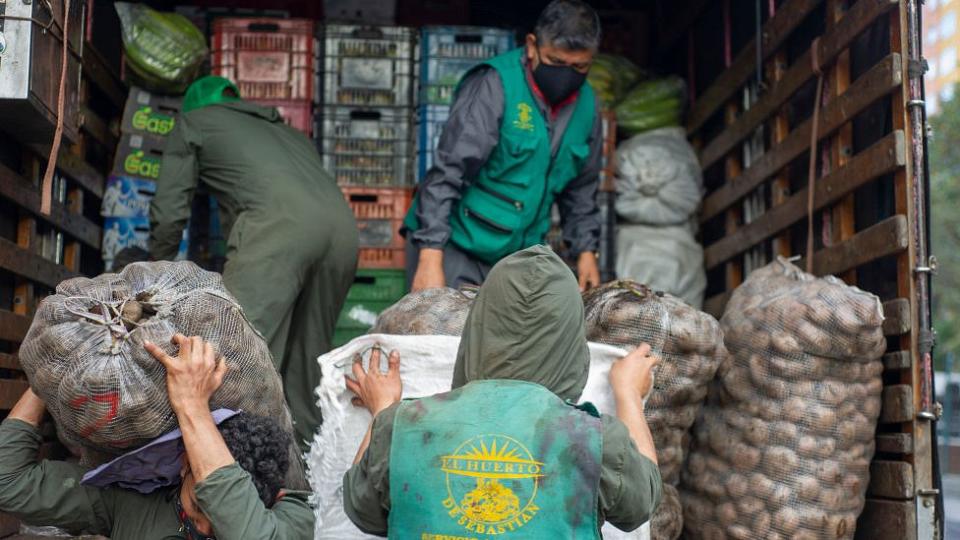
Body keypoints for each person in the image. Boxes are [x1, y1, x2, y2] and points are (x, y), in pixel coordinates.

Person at [342, 245, 662, 538]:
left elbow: (362, 508)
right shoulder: (596, 440)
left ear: (478, 328)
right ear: (570, 344)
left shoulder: (402, 427)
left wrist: (384, 409)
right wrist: (629, 395)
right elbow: (642, 500)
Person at [149, 76, 359, 447]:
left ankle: (238, 475)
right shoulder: (290, 134)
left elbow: (169, 210)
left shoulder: (194, 122)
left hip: (280, 232)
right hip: (343, 232)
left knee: (239, 354)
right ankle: (304, 482)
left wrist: (154, 273)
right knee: (305, 368)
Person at [0, 334, 313, 539]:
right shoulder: (129, 500)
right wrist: (53, 373)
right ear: (183, 462)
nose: (204, 529)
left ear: (276, 500)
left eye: (222, 522)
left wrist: (192, 405)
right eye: (198, 505)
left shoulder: (294, 518)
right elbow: (9, 482)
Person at [403, 0, 605, 292]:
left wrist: (586, 251)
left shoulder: (588, 107)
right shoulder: (494, 85)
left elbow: (581, 189)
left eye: (580, 66)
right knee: (447, 335)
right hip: (457, 244)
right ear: (532, 46)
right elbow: (448, 171)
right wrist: (431, 255)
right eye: (556, 63)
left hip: (519, 258)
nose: (567, 74)